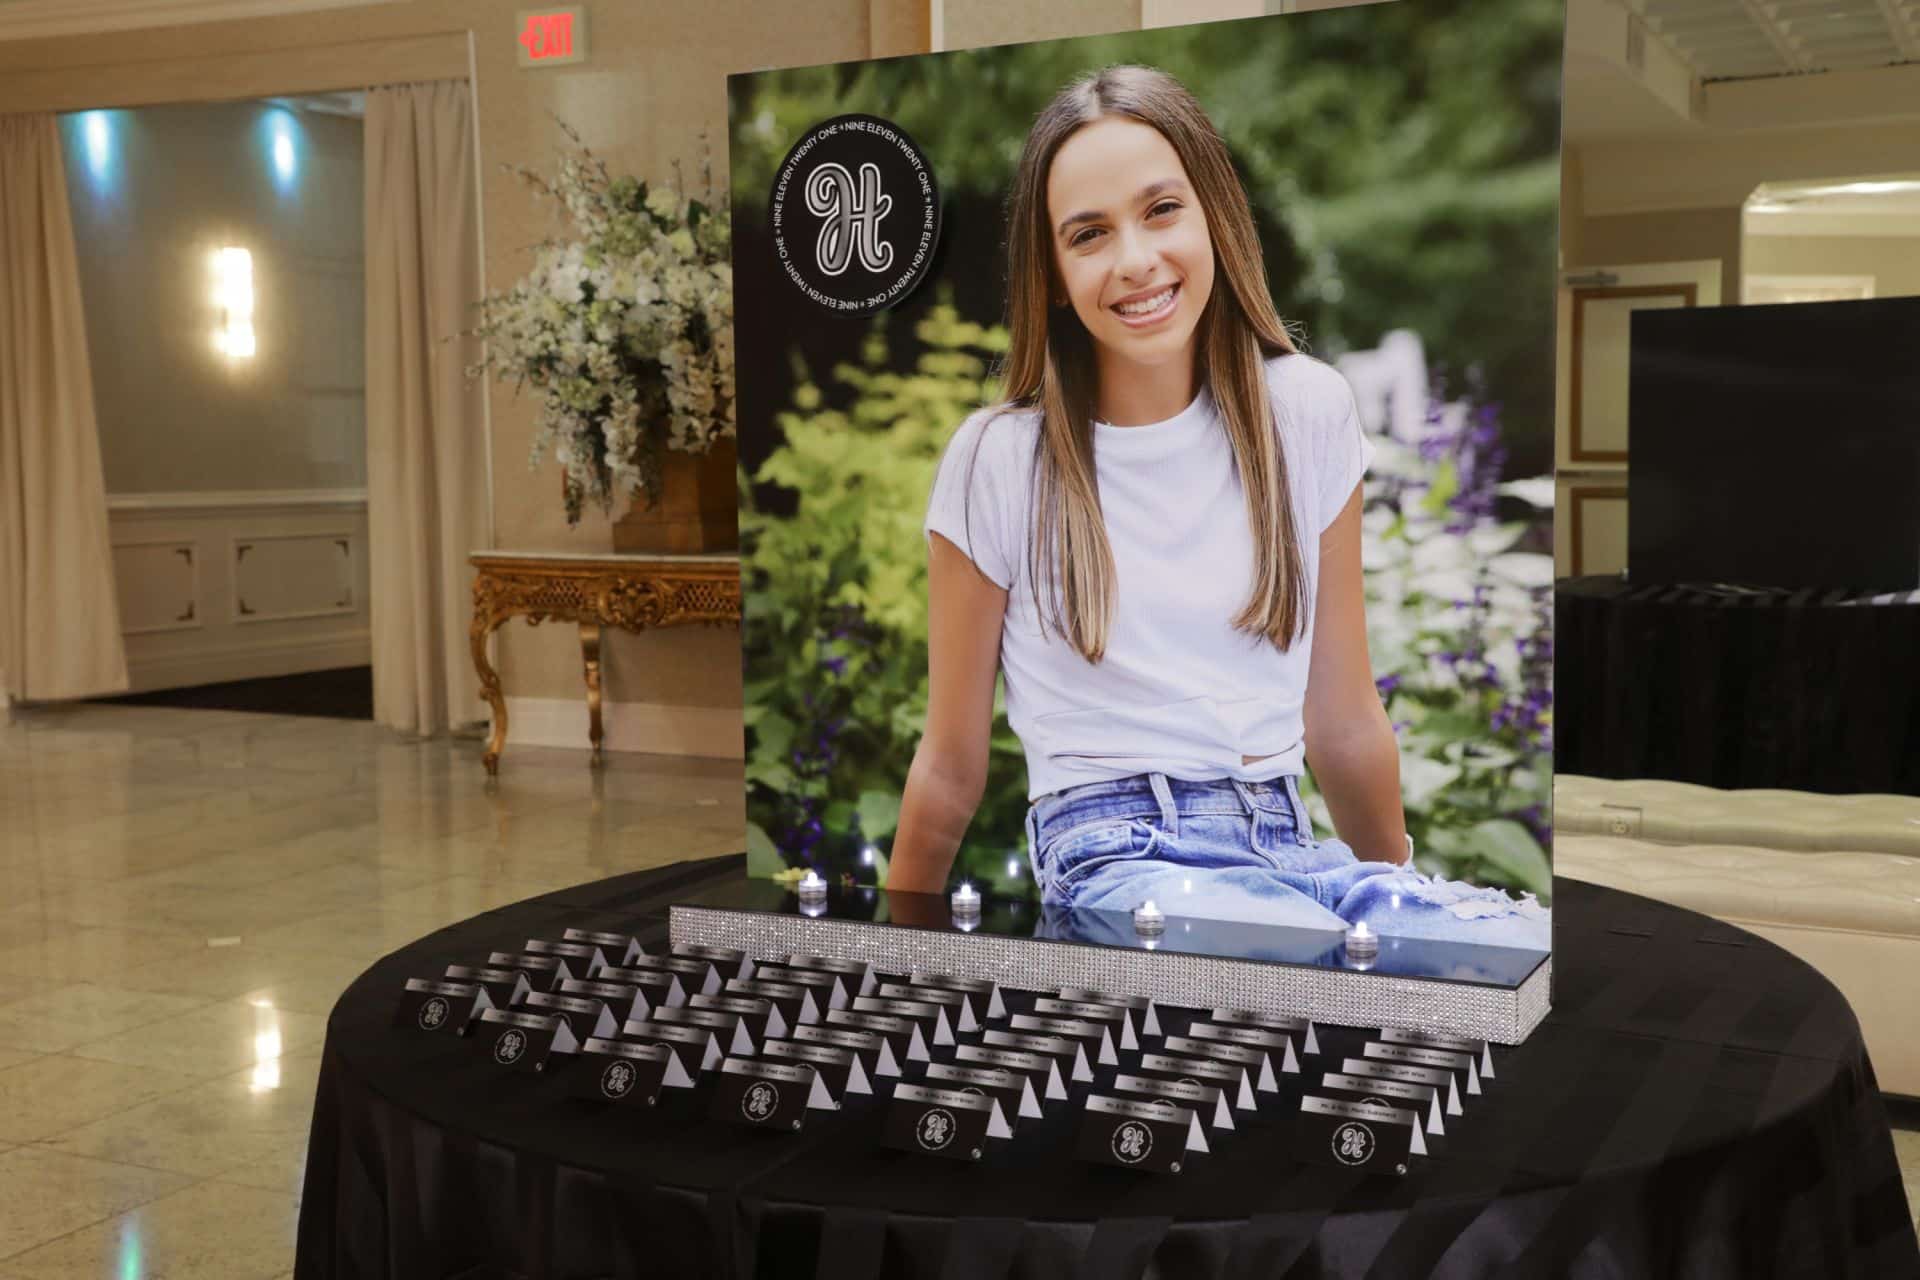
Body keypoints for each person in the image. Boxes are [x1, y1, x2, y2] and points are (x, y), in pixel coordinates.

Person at [887, 65, 1547, 950]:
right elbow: (951, 763)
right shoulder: (1000, 460)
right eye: (1089, 234)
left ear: (1215, 220)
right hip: (1113, 860)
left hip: (1286, 851)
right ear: (1050, 275)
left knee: (1507, 951)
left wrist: (1403, 918)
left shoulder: (1306, 412)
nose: (1134, 260)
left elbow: (1345, 722)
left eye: (1162, 210)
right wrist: (888, 957)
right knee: (1291, 952)